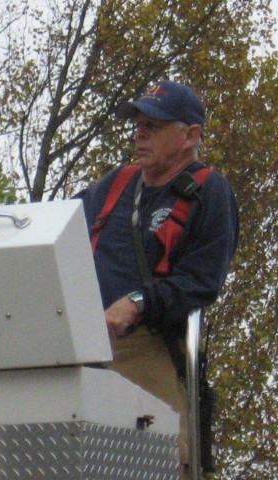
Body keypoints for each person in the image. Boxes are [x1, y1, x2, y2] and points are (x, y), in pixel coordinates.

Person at [78, 79, 239, 477]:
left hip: (150, 350)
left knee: (167, 462)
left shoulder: (207, 191)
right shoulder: (113, 187)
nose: (141, 133)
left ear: (190, 136)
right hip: (84, 351)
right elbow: (55, 233)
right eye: (138, 123)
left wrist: (136, 302)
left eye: (154, 124)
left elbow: (201, 281)